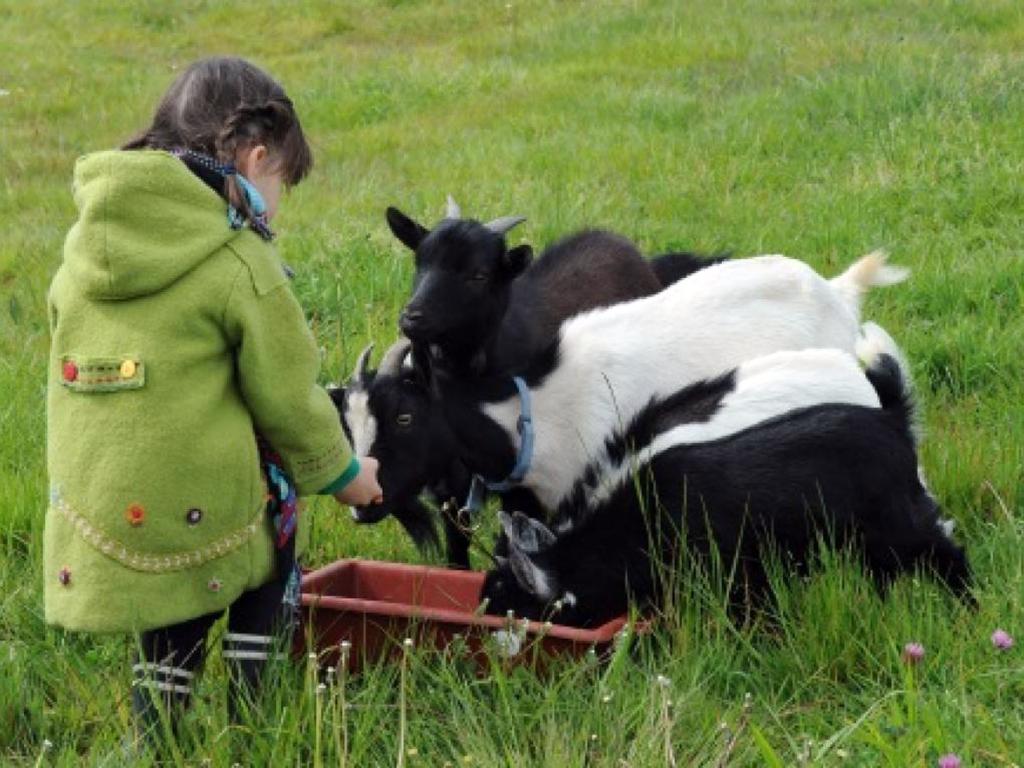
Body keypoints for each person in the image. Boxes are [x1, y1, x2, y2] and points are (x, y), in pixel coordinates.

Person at [44, 56, 382, 740]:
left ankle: (158, 729)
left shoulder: (84, 249)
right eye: (282, 185)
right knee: (272, 520)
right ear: (256, 159)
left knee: (176, 601)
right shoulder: (238, 259)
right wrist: (347, 475)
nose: (277, 206)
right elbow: (287, 399)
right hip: (200, 512)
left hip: (101, 511)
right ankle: (257, 717)